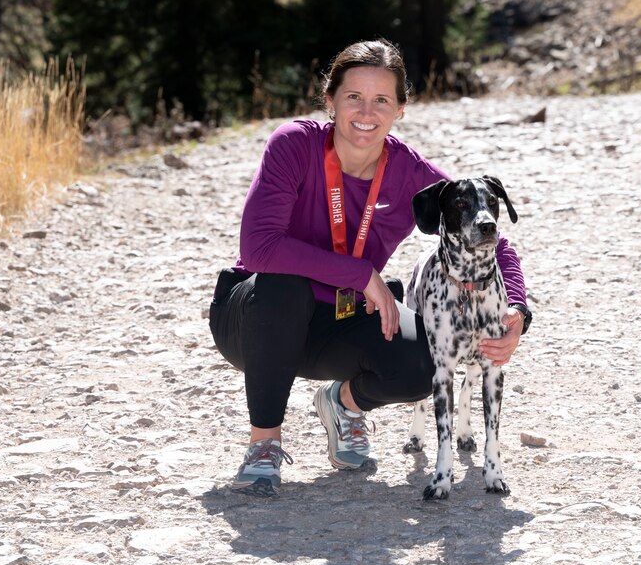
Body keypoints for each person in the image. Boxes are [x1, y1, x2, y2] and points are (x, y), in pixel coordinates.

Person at [208, 39, 531, 497]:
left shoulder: (411, 173)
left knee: (425, 362)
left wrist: (517, 310)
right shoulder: (294, 145)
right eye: (353, 96)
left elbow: (490, 239)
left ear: (400, 109)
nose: (366, 111)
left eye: (381, 99)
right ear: (330, 100)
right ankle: (264, 444)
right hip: (255, 320)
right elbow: (260, 249)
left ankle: (341, 404)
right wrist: (361, 275)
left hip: (337, 319)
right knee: (285, 284)